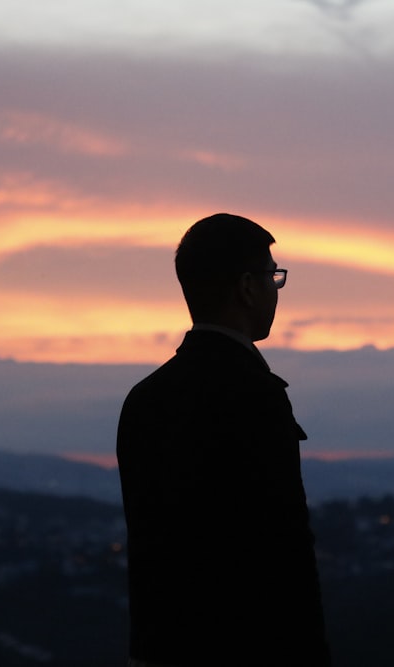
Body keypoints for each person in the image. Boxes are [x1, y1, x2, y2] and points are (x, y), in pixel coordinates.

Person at [117, 213, 331, 666]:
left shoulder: (143, 400)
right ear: (247, 287)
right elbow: (285, 549)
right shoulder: (256, 395)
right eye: (273, 276)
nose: (277, 290)